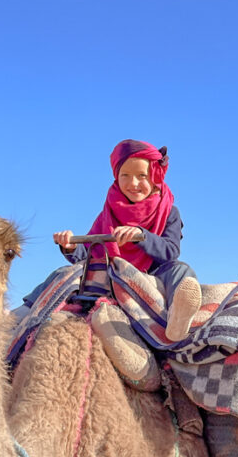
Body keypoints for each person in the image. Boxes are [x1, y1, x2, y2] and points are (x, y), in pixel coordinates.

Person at [26, 138, 202, 342]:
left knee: (181, 270)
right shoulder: (109, 211)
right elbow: (89, 253)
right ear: (116, 176)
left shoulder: (169, 212)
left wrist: (141, 236)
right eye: (125, 175)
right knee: (64, 273)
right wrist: (71, 246)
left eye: (142, 175)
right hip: (111, 271)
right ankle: (26, 311)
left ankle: (178, 317)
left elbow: (170, 251)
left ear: (154, 176)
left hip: (151, 272)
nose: (133, 183)